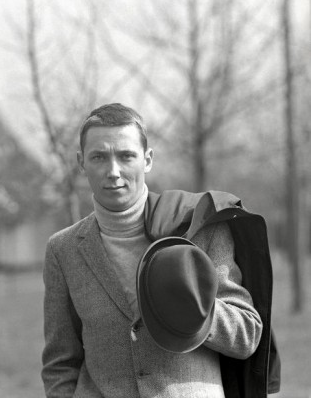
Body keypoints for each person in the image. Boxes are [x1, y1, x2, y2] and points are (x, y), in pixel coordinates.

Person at [42, 103, 279, 398]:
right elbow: (60, 362)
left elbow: (248, 335)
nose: (113, 171)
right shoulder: (62, 249)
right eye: (99, 157)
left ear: (147, 160)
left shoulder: (198, 227)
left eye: (126, 156)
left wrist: (198, 307)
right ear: (81, 162)